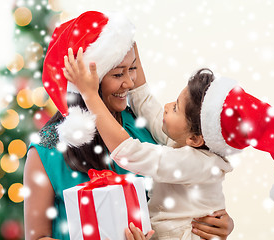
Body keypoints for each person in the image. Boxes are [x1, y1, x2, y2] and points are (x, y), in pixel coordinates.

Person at [24, 11, 234, 240]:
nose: (129, 82)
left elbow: (186, 191)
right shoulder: (47, 151)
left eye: (132, 68)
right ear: (85, 83)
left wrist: (217, 221)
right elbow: (36, 237)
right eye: (117, 73)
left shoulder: (142, 128)